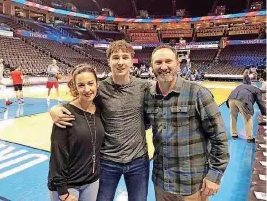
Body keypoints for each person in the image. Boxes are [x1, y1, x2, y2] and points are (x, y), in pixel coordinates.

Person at [49, 40, 151, 201]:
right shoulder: (99, 88)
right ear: (108, 61)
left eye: (125, 57)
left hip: (138, 161)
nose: (120, 62)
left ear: (132, 60)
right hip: (107, 162)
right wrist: (54, 109)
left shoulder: (144, 87)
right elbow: (80, 102)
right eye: (115, 57)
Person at [144, 45, 229, 201]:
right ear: (151, 66)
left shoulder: (197, 93)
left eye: (168, 61)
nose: (163, 67)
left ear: (178, 64)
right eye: (158, 62)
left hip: (192, 184)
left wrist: (215, 174)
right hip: (161, 182)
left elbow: (219, 136)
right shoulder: (149, 96)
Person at [48, 64, 105, 201]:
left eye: (91, 83)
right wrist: (62, 191)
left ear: (97, 84)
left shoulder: (99, 110)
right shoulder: (65, 113)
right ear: (75, 87)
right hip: (68, 186)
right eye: (81, 85)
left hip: (91, 182)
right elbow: (57, 154)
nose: (87, 89)